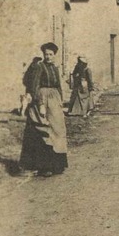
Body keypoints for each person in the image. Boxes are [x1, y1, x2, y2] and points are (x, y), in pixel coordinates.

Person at [19, 42, 68, 176]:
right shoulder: (39, 67)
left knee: (58, 130)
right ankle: (45, 166)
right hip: (42, 101)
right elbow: (34, 85)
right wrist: (39, 103)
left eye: (51, 54)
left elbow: (58, 86)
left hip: (54, 100)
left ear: (54, 55)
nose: (48, 57)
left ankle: (58, 165)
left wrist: (60, 101)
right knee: (44, 130)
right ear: (43, 55)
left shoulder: (55, 68)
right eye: (46, 54)